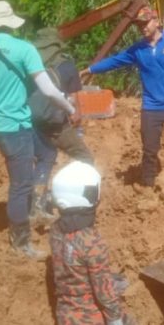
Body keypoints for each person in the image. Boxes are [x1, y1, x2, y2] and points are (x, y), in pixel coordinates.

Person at [0, 0, 78, 260]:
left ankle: (36, 209)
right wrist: (70, 108)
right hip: (16, 128)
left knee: (47, 152)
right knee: (19, 185)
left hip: (0, 128)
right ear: (10, 23)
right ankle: (20, 243)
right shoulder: (24, 49)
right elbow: (49, 90)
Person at [80, 6, 164, 187]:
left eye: (145, 23)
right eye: (139, 25)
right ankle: (148, 188)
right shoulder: (137, 50)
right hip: (151, 109)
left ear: (157, 22)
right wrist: (90, 69)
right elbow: (114, 61)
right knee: (149, 151)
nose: (142, 27)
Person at [49, 161, 136, 325]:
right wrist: (115, 320)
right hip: (91, 318)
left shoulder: (55, 230)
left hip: (65, 314)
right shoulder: (91, 242)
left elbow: (74, 269)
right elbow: (104, 293)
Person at [31, 27, 94, 222]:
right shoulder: (66, 64)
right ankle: (76, 195)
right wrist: (77, 114)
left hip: (31, 122)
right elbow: (74, 98)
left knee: (44, 159)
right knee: (85, 157)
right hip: (56, 122)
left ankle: (37, 202)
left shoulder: (30, 62)